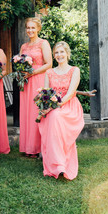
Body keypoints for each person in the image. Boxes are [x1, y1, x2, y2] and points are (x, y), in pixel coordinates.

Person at [38, 42, 84, 180]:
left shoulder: (74, 70)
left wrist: (54, 106)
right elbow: (45, 93)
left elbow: (70, 93)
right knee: (53, 117)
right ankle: (57, 164)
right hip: (53, 107)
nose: (59, 55)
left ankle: (61, 163)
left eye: (62, 52)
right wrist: (44, 107)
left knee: (56, 116)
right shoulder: (49, 72)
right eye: (56, 53)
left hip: (69, 106)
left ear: (67, 53)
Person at [19, 17, 52, 157]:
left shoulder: (43, 43)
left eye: (33, 28)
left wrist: (32, 71)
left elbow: (49, 64)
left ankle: (38, 148)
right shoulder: (23, 47)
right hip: (26, 82)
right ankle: (28, 147)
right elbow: (19, 63)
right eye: (28, 28)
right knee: (27, 113)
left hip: (38, 80)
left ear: (38, 28)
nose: (30, 30)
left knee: (36, 111)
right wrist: (21, 71)